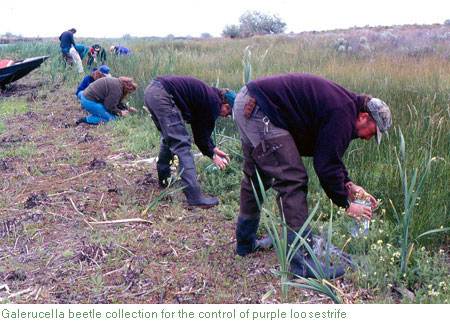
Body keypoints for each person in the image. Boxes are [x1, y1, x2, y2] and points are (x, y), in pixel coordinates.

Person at [233, 73, 392, 279]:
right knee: (292, 179)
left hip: (250, 101)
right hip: (260, 111)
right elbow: (325, 165)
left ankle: (245, 244)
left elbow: (328, 153)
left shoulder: (344, 108)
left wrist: (349, 186)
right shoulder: (343, 114)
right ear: (364, 117)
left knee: (257, 177)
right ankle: (301, 262)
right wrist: (346, 204)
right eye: (372, 131)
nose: (369, 138)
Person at [143, 76, 236, 209]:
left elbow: (200, 132)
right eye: (228, 113)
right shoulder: (213, 103)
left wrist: (213, 149)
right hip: (162, 96)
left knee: (169, 137)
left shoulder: (210, 97)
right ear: (226, 106)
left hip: (153, 92)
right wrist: (213, 157)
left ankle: (164, 179)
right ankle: (195, 197)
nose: (225, 116)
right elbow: (200, 136)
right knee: (181, 145)